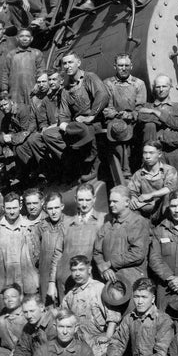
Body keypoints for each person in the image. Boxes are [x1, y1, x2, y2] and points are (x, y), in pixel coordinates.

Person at [42, 52, 110, 181]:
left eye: (70, 62)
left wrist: (91, 116)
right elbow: (63, 115)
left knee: (87, 130)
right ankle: (73, 162)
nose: (67, 66)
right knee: (49, 135)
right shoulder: (66, 90)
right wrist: (66, 127)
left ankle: (92, 165)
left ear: (78, 63)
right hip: (77, 125)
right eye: (65, 63)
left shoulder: (89, 78)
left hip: (94, 121)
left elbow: (102, 95)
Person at [106, 278, 174, 356]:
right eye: (136, 296)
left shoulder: (163, 320)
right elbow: (117, 340)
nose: (140, 301)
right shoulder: (130, 317)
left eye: (144, 297)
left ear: (153, 299)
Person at [94, 185, 151, 289]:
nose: (111, 205)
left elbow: (138, 254)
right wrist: (104, 267)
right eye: (110, 201)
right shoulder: (107, 225)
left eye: (115, 201)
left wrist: (111, 263)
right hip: (110, 281)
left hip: (133, 281)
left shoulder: (138, 222)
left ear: (127, 202)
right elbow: (97, 252)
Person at [103, 53, 147, 178]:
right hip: (115, 119)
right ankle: (123, 170)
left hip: (133, 119)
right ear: (115, 66)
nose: (124, 68)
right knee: (118, 129)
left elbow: (140, 107)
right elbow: (107, 108)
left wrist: (131, 114)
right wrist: (118, 115)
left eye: (126, 65)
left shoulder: (139, 84)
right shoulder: (108, 84)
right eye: (120, 65)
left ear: (131, 66)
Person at [56, 185, 104, 298]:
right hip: (68, 279)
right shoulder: (67, 223)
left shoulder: (102, 220)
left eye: (87, 200)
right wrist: (53, 282)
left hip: (92, 277)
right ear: (75, 199)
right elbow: (57, 253)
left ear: (94, 198)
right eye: (81, 200)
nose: (84, 204)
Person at [0, 193, 39, 304]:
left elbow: (37, 255)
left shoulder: (30, 227)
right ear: (3, 208)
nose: (12, 212)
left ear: (20, 207)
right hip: (3, 283)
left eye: (14, 208)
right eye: (8, 208)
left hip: (27, 284)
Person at [127, 140, 178, 222]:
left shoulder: (168, 170)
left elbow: (170, 188)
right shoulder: (139, 174)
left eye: (151, 153)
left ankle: (166, 225)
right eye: (145, 153)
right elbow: (131, 191)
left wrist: (151, 195)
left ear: (159, 154)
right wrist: (133, 198)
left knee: (168, 196)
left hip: (164, 210)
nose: (147, 156)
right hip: (146, 210)